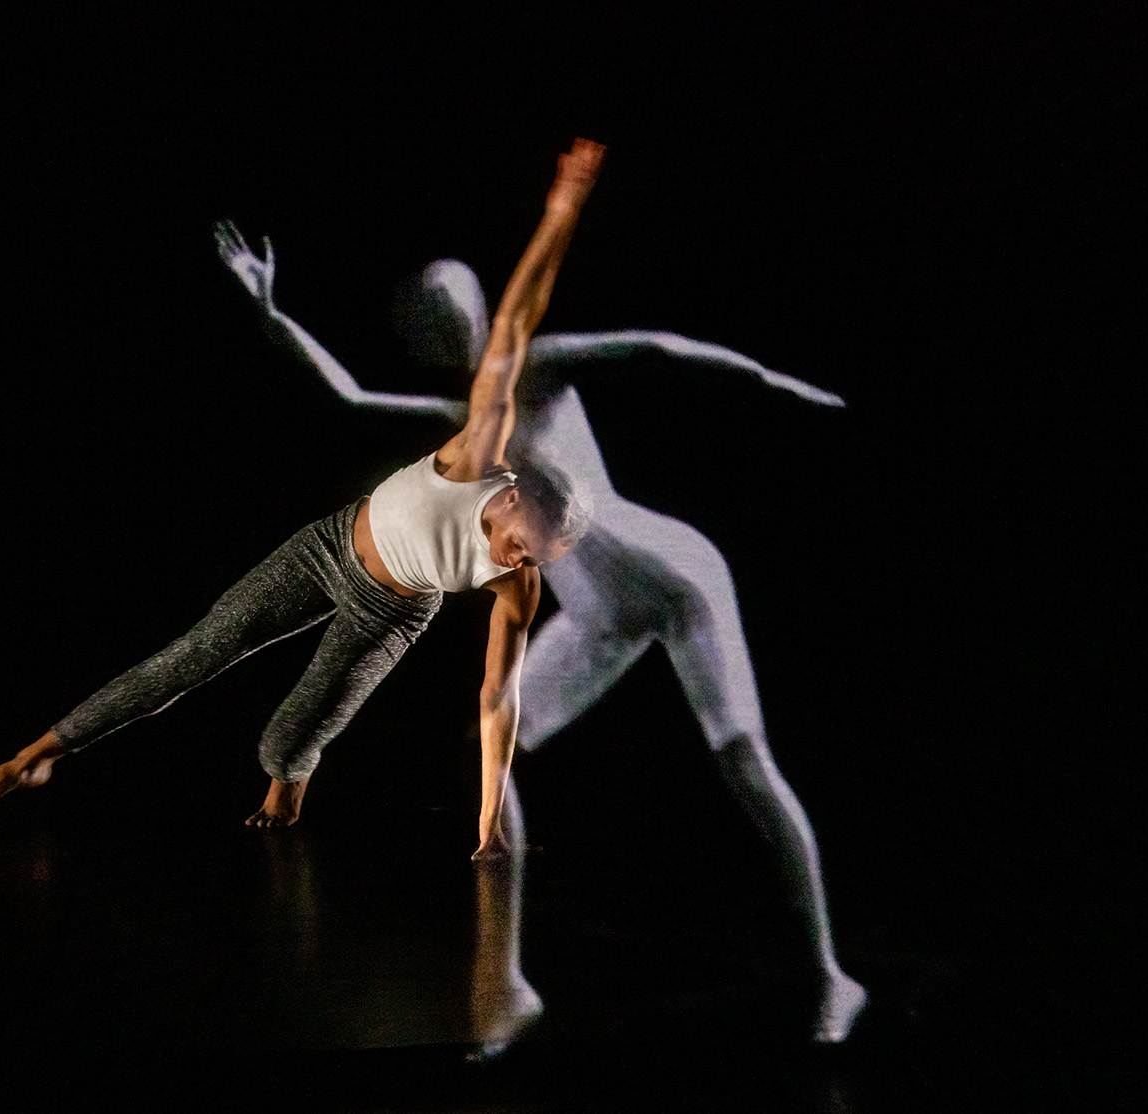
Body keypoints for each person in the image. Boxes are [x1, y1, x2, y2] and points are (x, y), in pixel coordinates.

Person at [213, 204, 867, 1042]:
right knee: (490, 752)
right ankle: (508, 986)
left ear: (484, 313)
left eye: (457, 309)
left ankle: (830, 977)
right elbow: (347, 397)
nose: (450, 329)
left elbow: (657, 348)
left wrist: (779, 385)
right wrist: (270, 313)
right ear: (422, 338)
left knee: (746, 765)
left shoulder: (542, 367)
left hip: (681, 579)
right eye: (429, 319)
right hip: (601, 617)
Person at [0, 138, 606, 862]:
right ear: (513, 496)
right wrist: (563, 206)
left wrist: (488, 819)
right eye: (524, 542)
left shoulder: (520, 585)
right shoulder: (479, 452)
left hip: (391, 613)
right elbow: (514, 327)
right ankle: (33, 756)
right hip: (327, 548)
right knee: (195, 654)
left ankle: (289, 779)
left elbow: (496, 700)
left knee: (287, 737)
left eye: (535, 560)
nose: (518, 561)